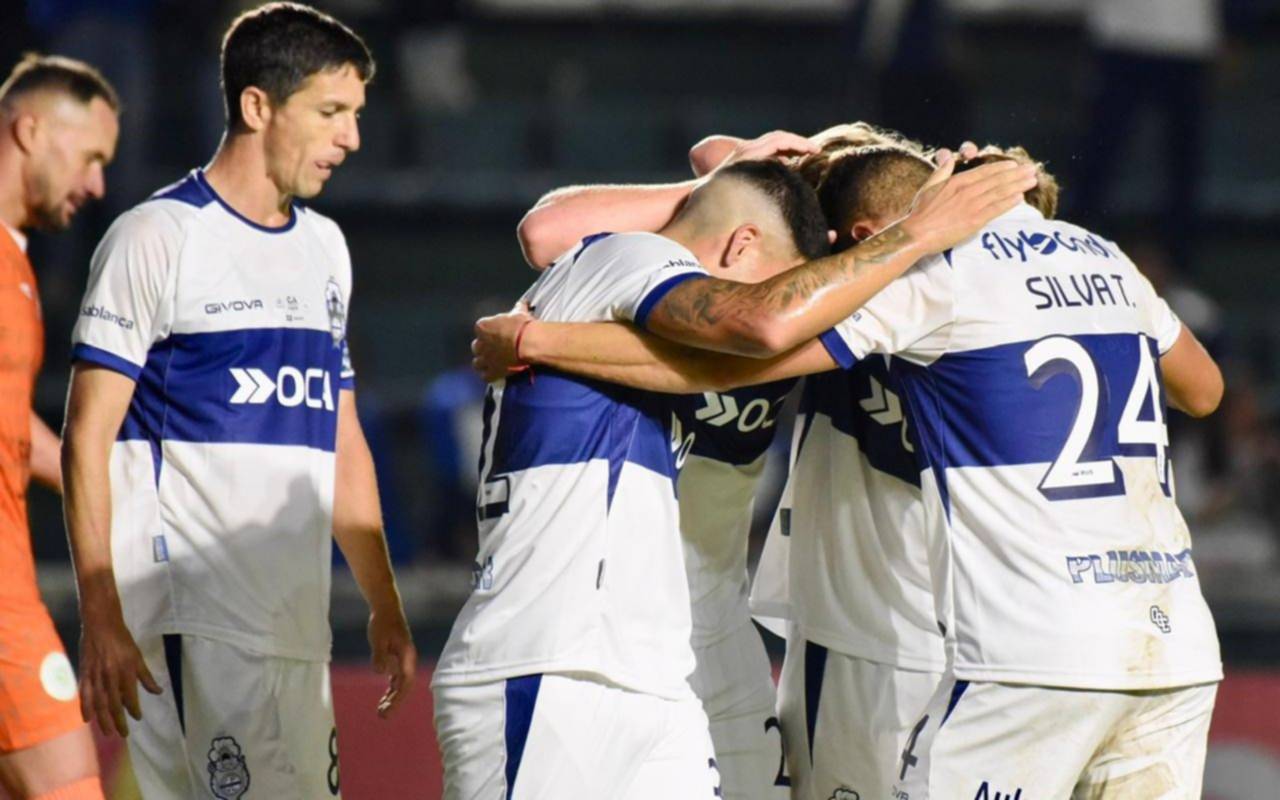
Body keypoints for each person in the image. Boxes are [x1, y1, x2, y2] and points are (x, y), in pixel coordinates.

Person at [476, 142, 1223, 799]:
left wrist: (541, 342)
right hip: (1173, 643)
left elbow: (740, 350)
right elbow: (1204, 391)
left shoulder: (930, 275)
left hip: (1023, 647)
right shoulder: (1106, 257)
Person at [60, 4, 416, 797]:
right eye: (331, 112)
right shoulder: (158, 237)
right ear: (257, 106)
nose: (352, 138)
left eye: (357, 114)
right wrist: (101, 613)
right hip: (197, 620)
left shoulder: (326, 248)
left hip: (297, 626)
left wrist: (383, 600)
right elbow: (87, 436)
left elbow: (340, 437)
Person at [0, 52, 118, 800]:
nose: (97, 184)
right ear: (31, 130)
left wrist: (110, 486)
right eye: (90, 157)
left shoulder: (15, 261)